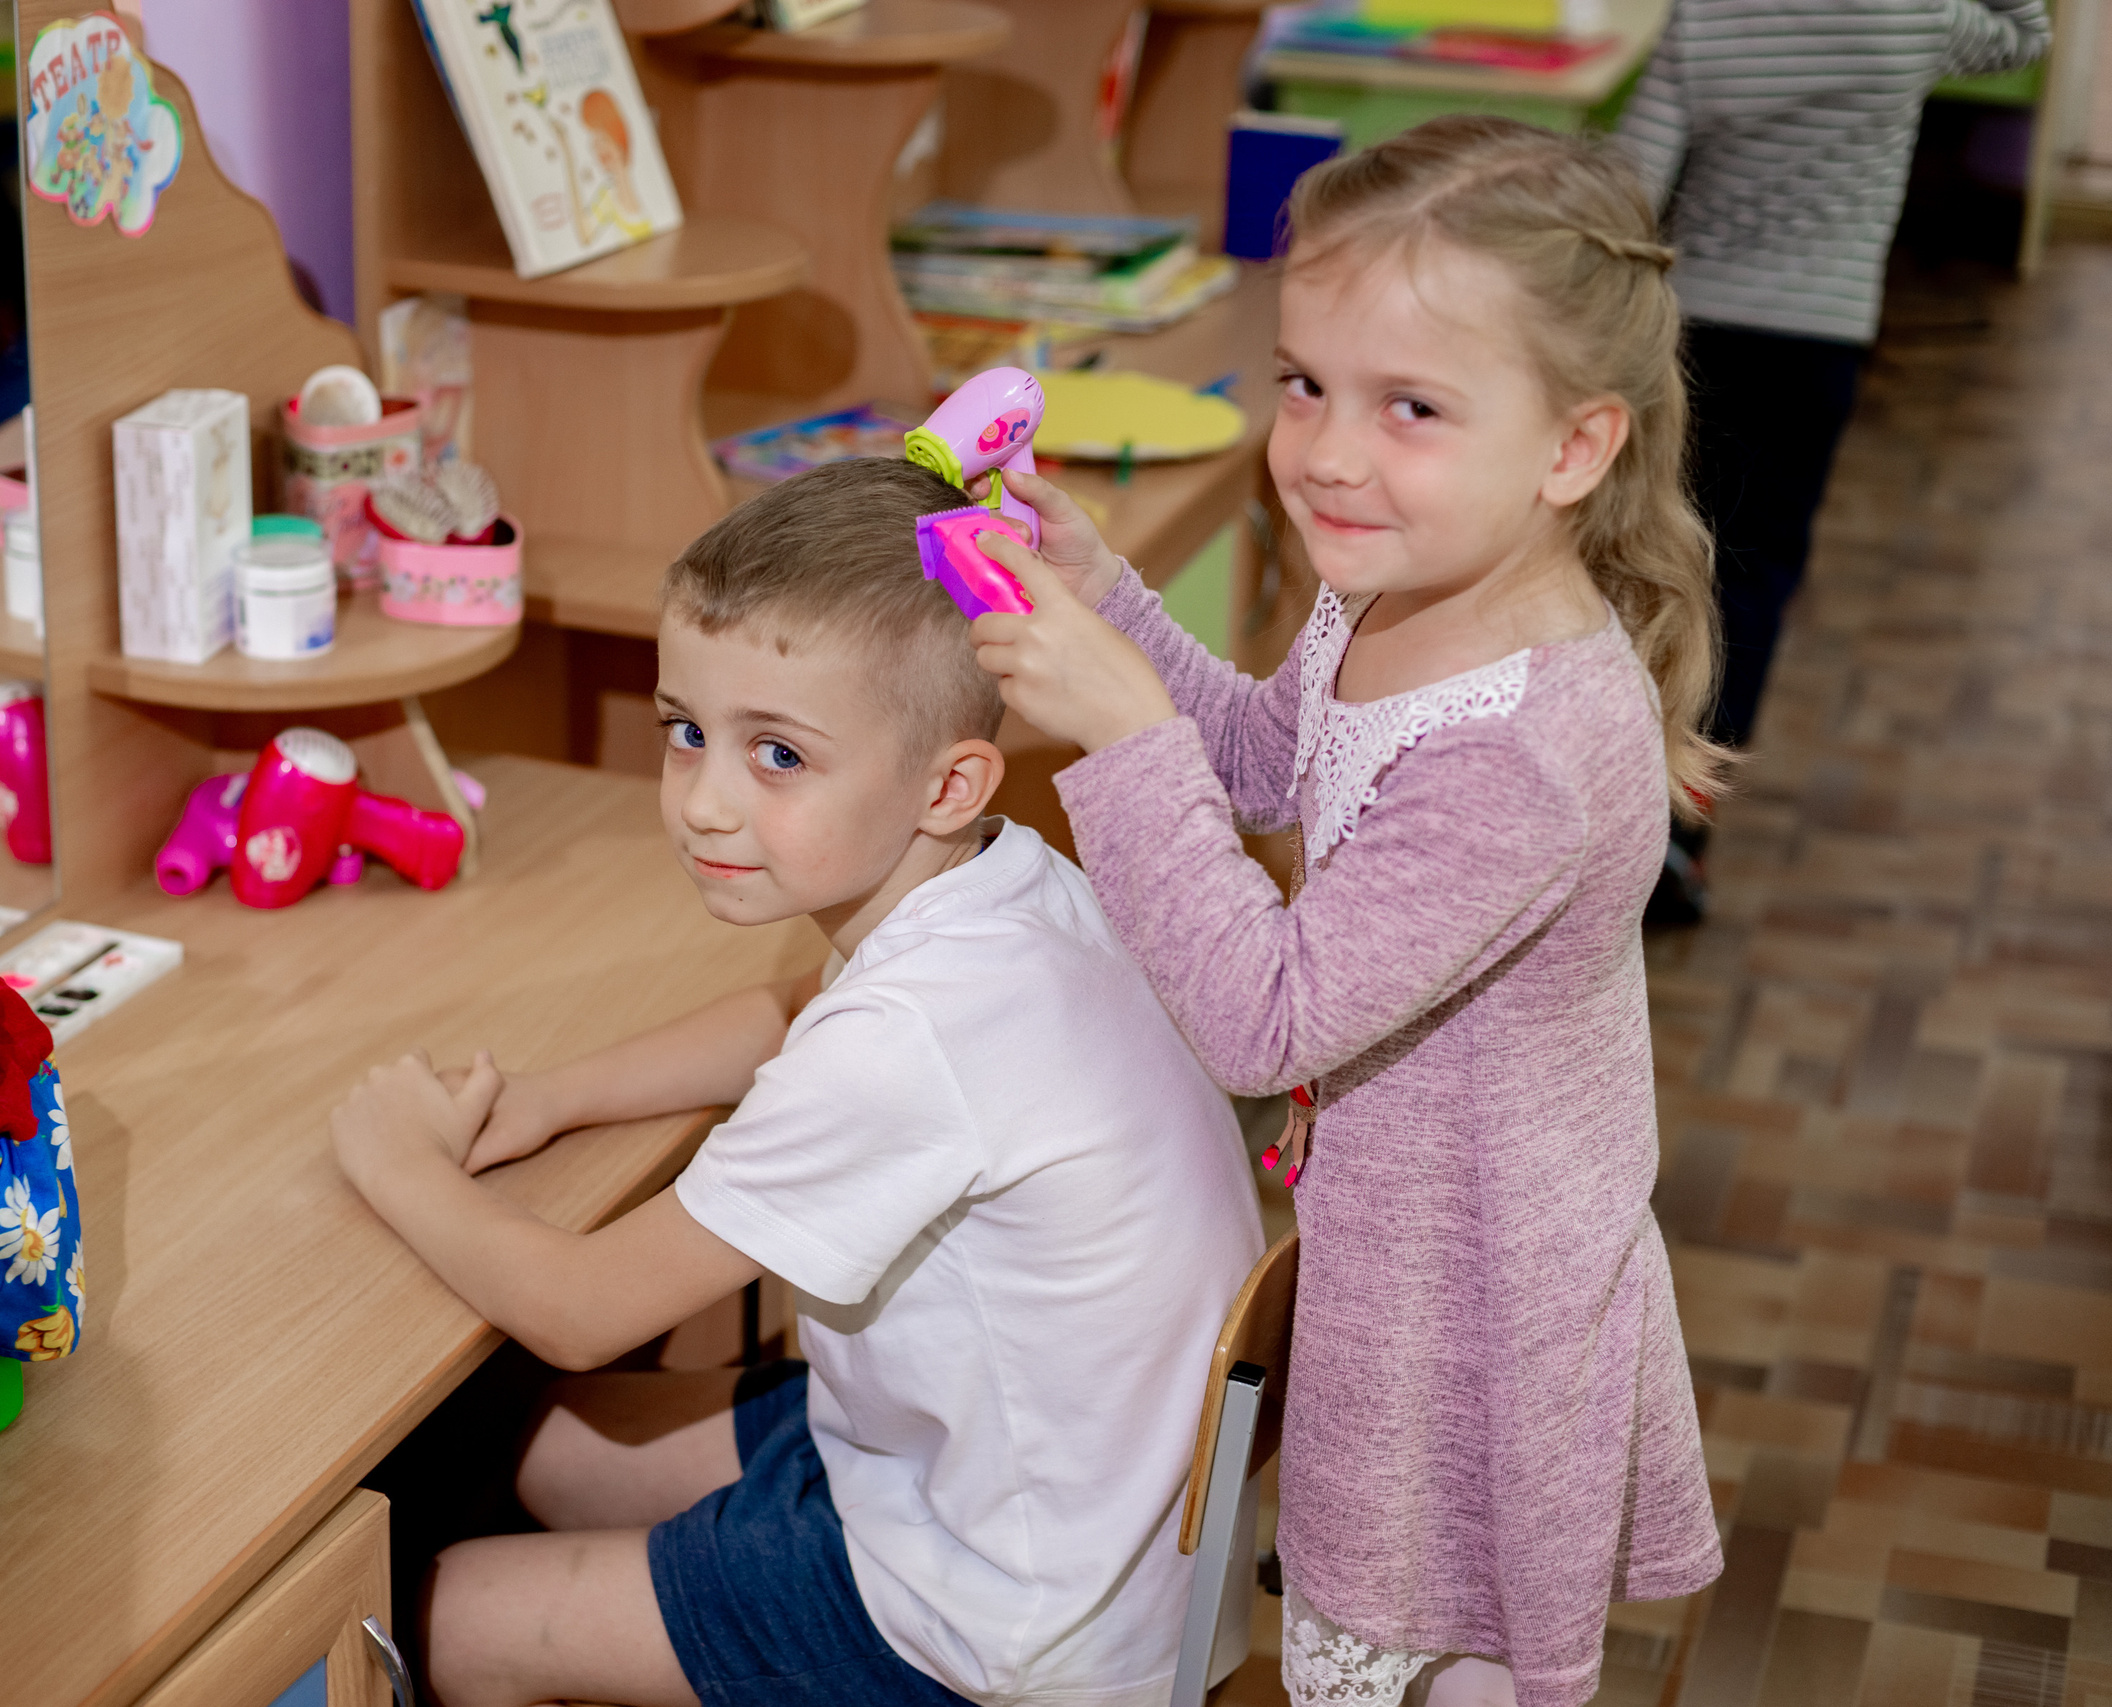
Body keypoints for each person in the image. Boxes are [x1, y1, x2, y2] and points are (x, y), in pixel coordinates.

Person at [969, 117, 1727, 1706]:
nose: (1326, 450)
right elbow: (1265, 761)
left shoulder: (1520, 746)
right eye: (1304, 381)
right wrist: (1110, 594)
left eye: (1413, 407)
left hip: (1473, 1318)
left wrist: (1114, 735)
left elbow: (1268, 1011)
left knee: (1417, 1660)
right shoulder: (1393, 588)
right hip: (1400, 1254)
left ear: (1574, 447)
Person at [330, 456, 1265, 1707]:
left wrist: (395, 1160)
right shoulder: (1009, 877)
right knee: (531, 1445)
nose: (704, 803)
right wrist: (555, 1097)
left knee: (445, 1614)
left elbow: (580, 1305)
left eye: (776, 755)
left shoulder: (909, 1043)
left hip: (993, 1631)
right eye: (686, 732)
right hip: (1035, 1507)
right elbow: (790, 1017)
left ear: (946, 784)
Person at [1618, 0, 2050, 918]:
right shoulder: (1918, 18)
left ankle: (1605, 808)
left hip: (1686, 341)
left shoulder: (1707, 19)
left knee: (1648, 564)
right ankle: (1678, 834)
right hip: (1816, 342)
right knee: (1753, 580)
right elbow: (2026, 31)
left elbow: (1626, 196)